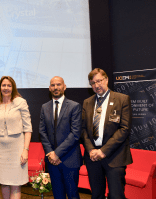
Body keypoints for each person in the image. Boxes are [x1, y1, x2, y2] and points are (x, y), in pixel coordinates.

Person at [82, 68, 132, 199]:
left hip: (114, 156)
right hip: (93, 157)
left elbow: (124, 129)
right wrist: (91, 150)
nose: (96, 85)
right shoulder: (87, 102)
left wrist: (103, 151)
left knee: (116, 196)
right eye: (93, 83)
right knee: (96, 195)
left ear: (106, 79)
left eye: (99, 81)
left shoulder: (122, 99)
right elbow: (83, 130)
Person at [39, 76, 82, 199]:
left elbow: (75, 134)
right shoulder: (44, 107)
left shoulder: (74, 106)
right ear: (49, 88)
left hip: (70, 160)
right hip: (52, 161)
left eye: (58, 84)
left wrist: (57, 154)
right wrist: (51, 154)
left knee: (73, 194)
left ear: (64, 87)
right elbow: (42, 132)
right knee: (58, 195)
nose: (55, 87)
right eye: (53, 85)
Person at [0, 76, 32, 199]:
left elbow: (28, 128)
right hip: (0, 150)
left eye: (9, 85)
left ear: (13, 87)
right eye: (3, 85)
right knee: (3, 182)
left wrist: (25, 149)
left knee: (15, 184)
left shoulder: (21, 102)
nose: (6, 88)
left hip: (17, 149)